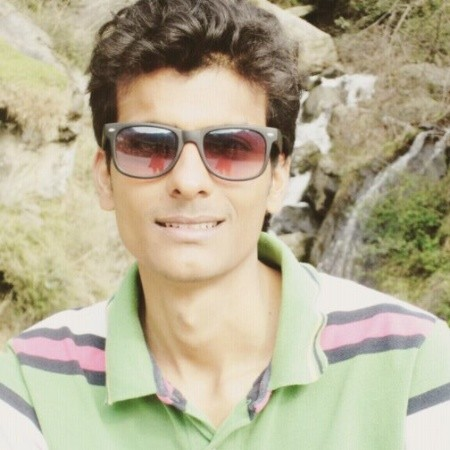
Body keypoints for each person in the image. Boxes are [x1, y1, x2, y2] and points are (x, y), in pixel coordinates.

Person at [1, 0, 449, 448]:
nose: (188, 181)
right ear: (105, 177)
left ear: (278, 177)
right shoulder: (32, 384)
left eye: (232, 147)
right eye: (149, 145)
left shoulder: (412, 363)